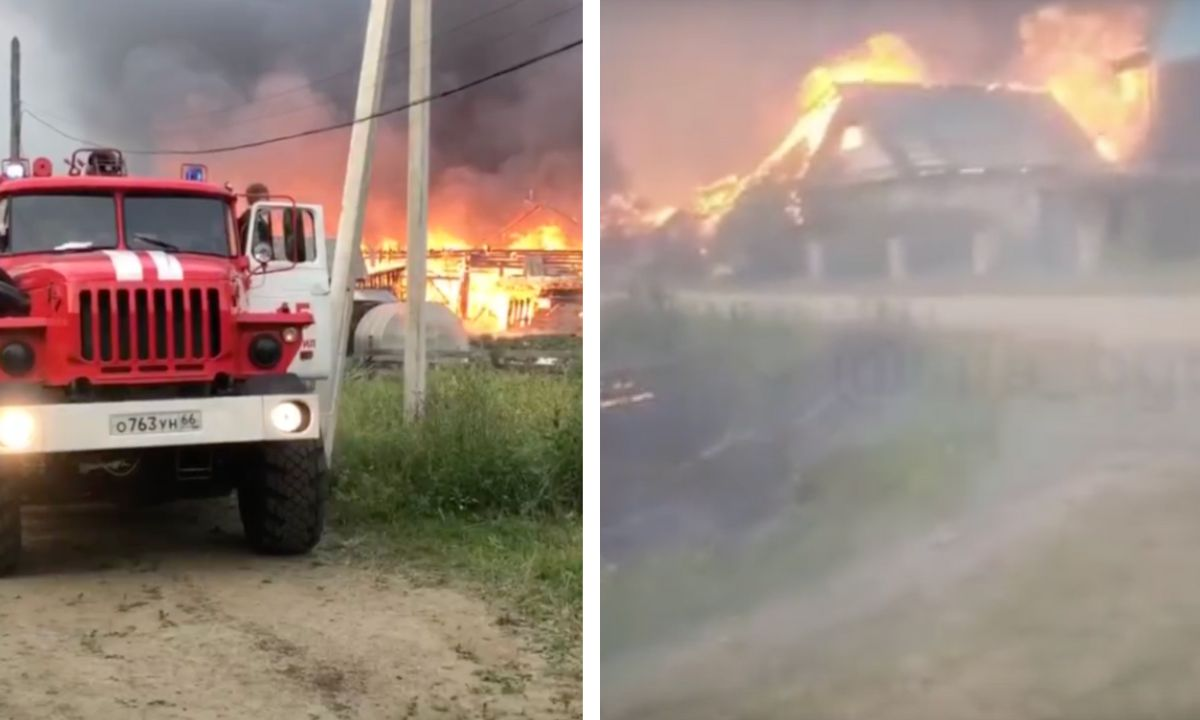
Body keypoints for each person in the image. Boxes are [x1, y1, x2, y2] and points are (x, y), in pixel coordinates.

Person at [237, 183, 272, 254]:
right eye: (267, 199)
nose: (269, 202)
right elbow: (257, 250)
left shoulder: (245, 218)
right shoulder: (256, 222)